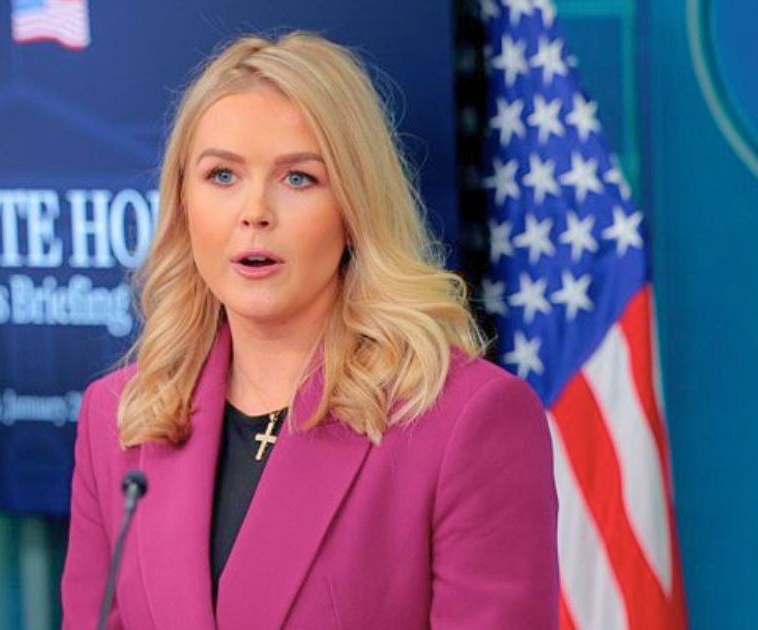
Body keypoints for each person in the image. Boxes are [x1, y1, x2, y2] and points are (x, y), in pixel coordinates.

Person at [61, 32, 558, 629]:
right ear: (182, 203)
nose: (254, 211)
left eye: (298, 178)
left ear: (354, 209)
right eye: (222, 176)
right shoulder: (118, 418)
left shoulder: (468, 421)